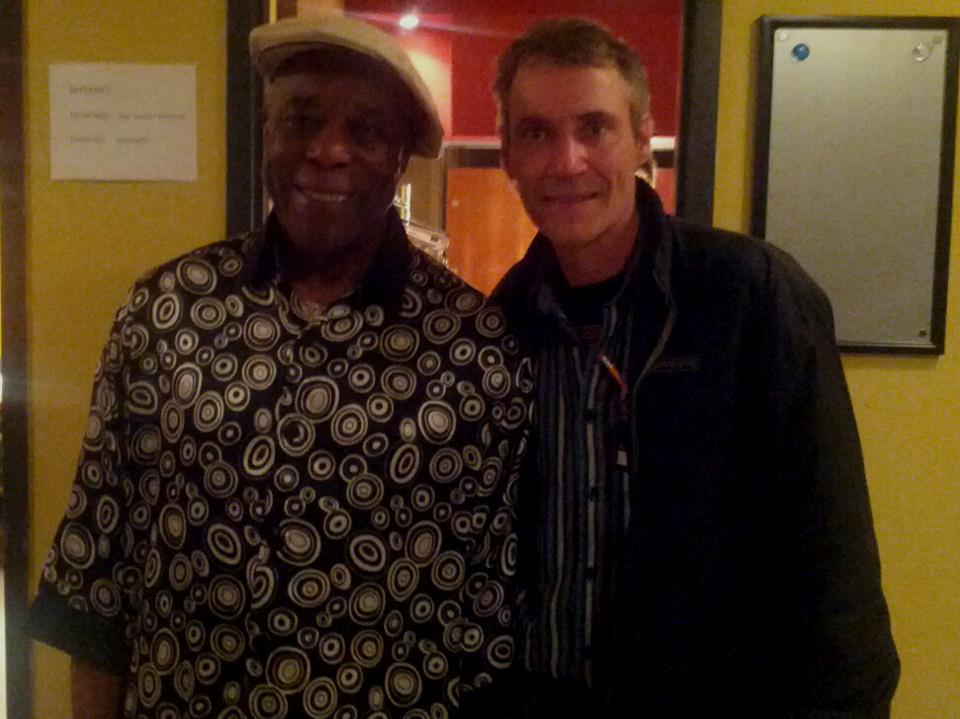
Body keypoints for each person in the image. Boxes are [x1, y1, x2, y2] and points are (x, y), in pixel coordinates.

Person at [27, 15, 532, 719]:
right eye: (302, 120)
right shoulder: (166, 311)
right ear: (267, 133)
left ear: (399, 159)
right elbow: (98, 580)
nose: (327, 151)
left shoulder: (476, 349)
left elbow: (489, 622)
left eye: (366, 131)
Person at [481, 17, 900, 718]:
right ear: (508, 156)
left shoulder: (749, 296)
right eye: (536, 133)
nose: (566, 162)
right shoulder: (502, 321)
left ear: (642, 138)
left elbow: (832, 560)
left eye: (595, 127)